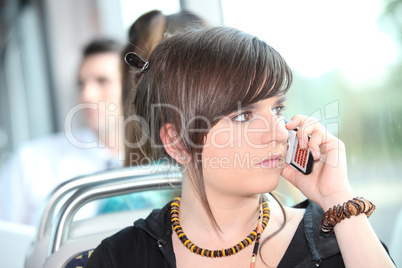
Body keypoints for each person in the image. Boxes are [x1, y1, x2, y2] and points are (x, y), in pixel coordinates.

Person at [84, 27, 395, 267]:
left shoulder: (333, 242)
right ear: (177, 142)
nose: (278, 133)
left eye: (277, 110)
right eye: (244, 115)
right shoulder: (122, 257)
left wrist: (338, 198)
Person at [0, 38, 125, 226]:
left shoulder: (161, 165)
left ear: (133, 88)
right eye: (81, 84)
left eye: (102, 81)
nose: (86, 94)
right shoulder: (31, 161)